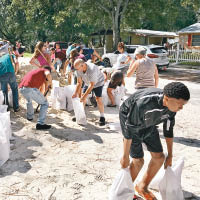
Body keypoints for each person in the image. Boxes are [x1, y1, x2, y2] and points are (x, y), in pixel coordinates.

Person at [119, 82, 190, 200]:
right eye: (180, 104)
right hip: (131, 121)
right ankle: (125, 192)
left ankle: (142, 186)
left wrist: (170, 155)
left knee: (160, 158)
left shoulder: (172, 109)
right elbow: (129, 130)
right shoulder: (143, 103)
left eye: (183, 105)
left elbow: (168, 130)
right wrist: (125, 156)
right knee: (138, 161)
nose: (181, 108)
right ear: (166, 99)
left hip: (149, 123)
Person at [72, 59, 105, 126]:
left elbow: (92, 85)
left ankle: (102, 116)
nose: (77, 71)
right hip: (88, 82)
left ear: (82, 65)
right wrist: (75, 93)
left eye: (77, 69)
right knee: (82, 98)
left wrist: (84, 97)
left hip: (98, 82)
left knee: (98, 98)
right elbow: (79, 82)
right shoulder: (78, 70)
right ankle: (80, 115)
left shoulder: (92, 69)